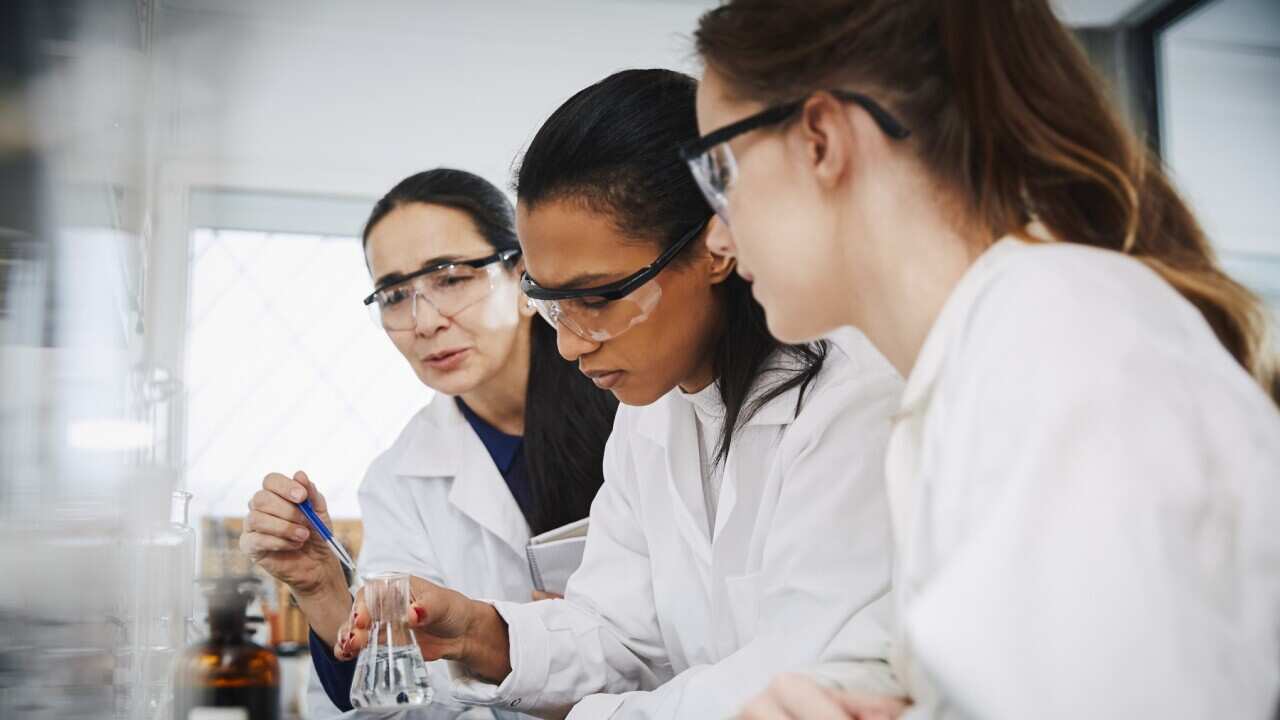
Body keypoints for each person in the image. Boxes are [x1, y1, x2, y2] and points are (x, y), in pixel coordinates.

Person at [683, 1, 1280, 718]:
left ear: (820, 138)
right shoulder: (990, 351)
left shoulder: (1057, 337)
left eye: (722, 169)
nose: (718, 234)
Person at [335, 69, 904, 719]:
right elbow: (624, 634)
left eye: (600, 298)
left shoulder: (850, 396)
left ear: (717, 244)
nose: (572, 345)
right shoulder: (652, 413)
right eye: (552, 304)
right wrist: (482, 634)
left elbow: (820, 669)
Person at [239, 168, 618, 715]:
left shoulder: (636, 409)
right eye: (395, 294)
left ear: (525, 281)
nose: (424, 321)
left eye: (450, 278)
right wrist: (322, 592)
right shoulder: (401, 481)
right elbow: (405, 704)